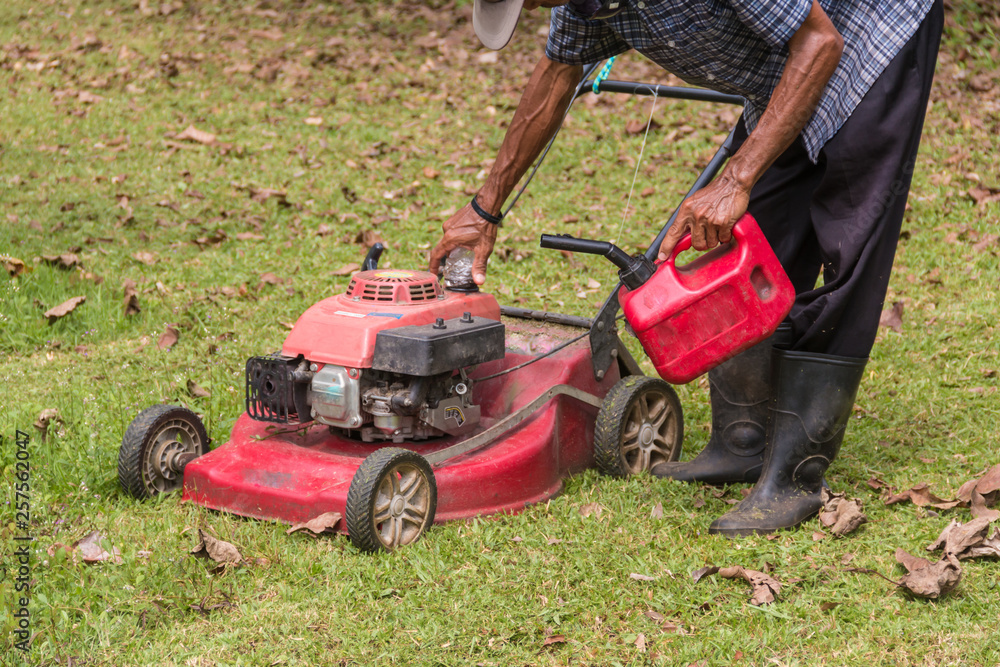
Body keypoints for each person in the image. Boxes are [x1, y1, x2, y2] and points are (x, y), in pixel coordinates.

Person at [429, 0, 942, 536]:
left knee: (848, 249)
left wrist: (737, 178)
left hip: (874, 36)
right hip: (789, 76)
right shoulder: (578, 7)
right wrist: (485, 209)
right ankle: (740, 443)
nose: (536, 8)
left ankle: (794, 479)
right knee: (754, 241)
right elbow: (557, 75)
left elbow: (821, 43)